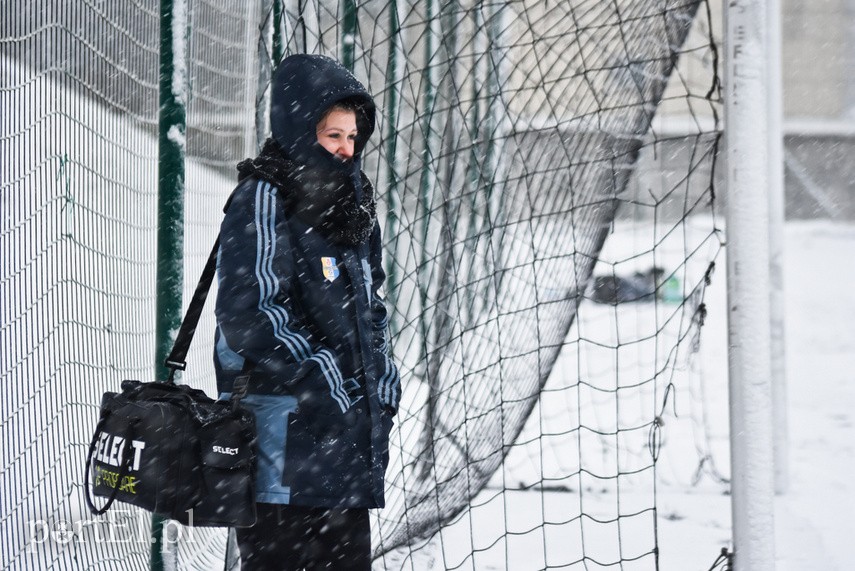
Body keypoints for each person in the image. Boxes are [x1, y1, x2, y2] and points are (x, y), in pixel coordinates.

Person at [213, 54, 401, 570]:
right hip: (282, 438)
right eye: (331, 134)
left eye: (352, 137)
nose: (345, 150)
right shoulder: (264, 197)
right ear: (299, 128)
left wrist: (380, 370)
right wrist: (321, 377)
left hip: (346, 444)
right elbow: (251, 312)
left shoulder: (354, 202)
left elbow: (370, 300)